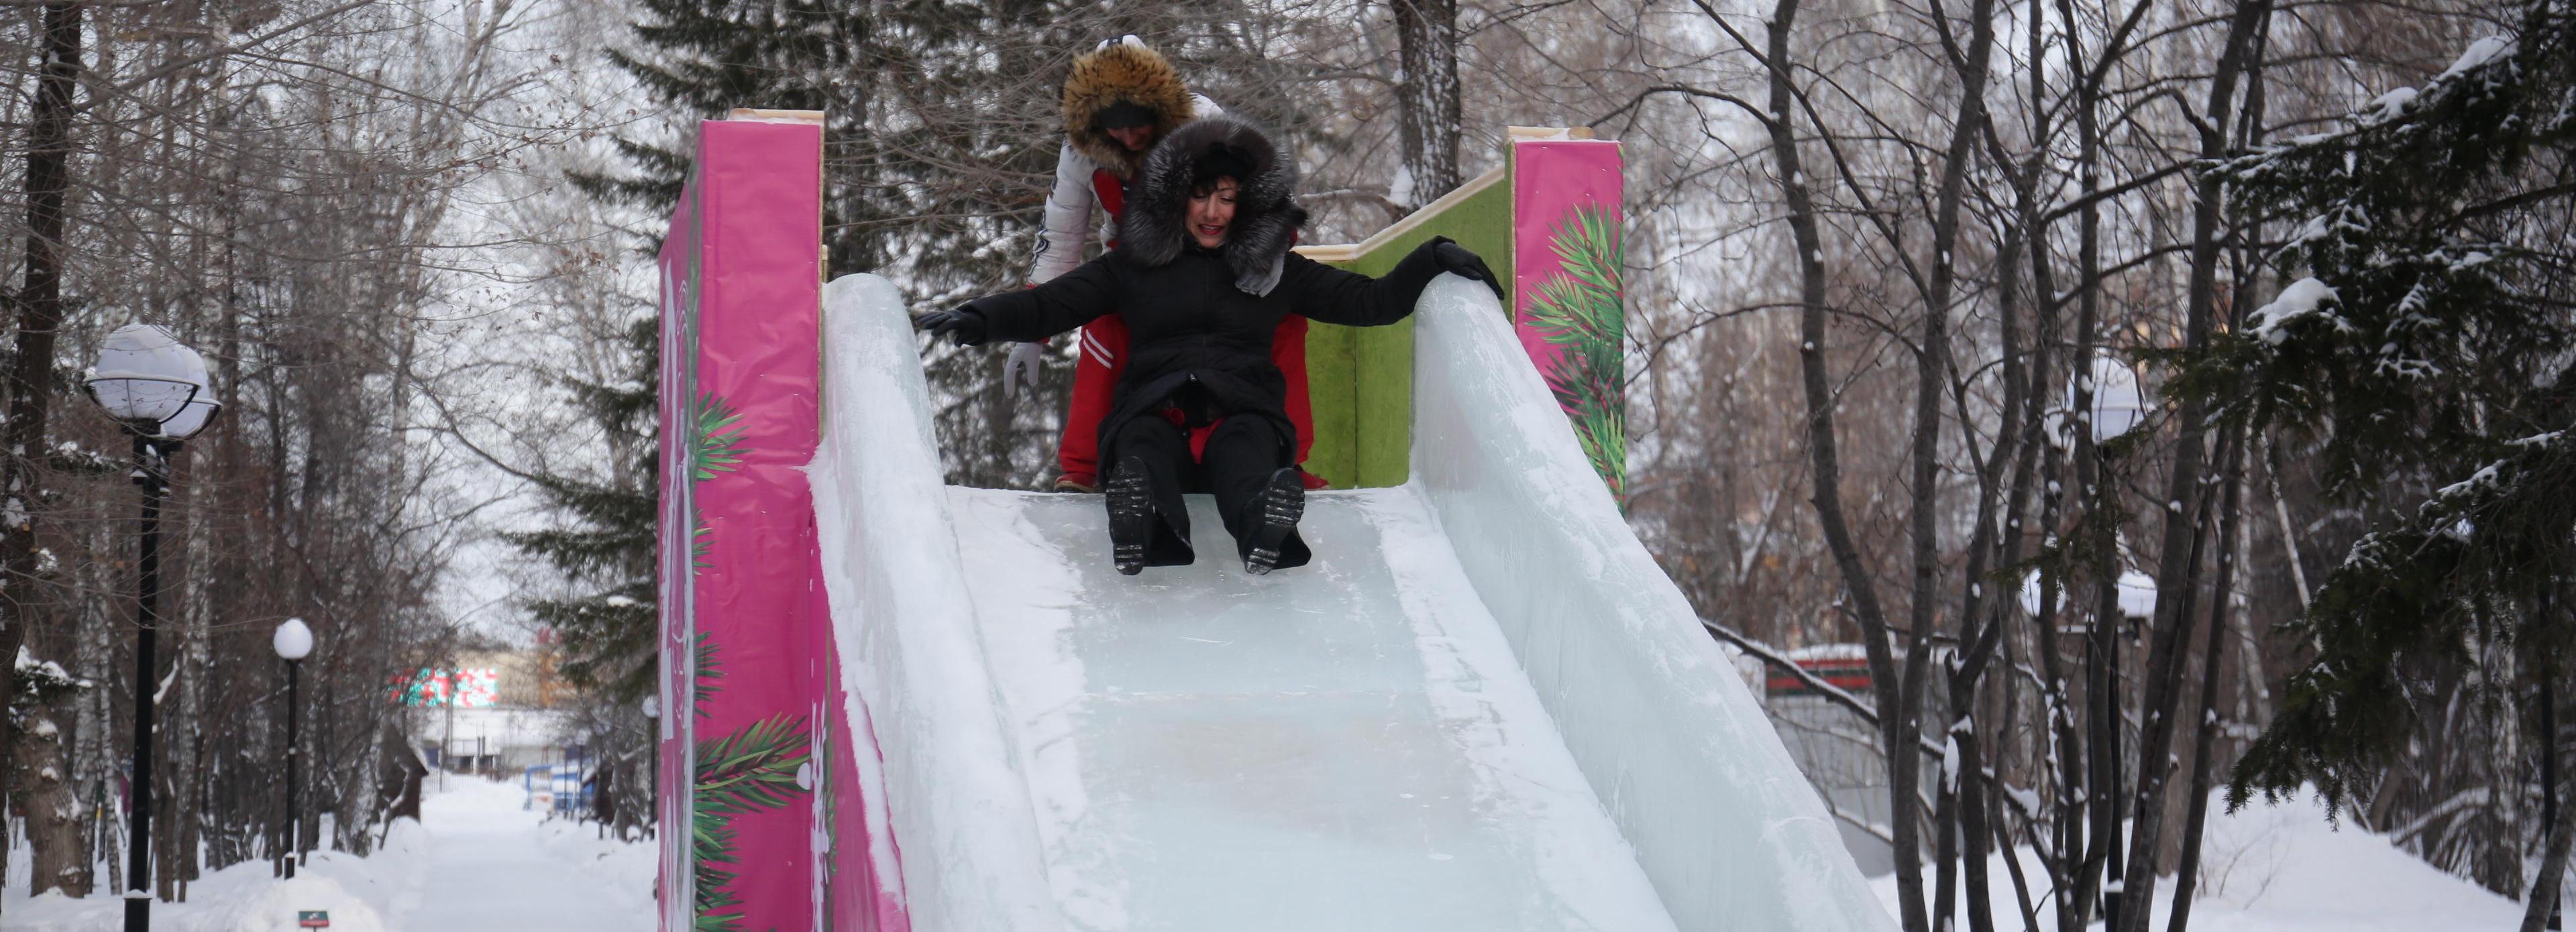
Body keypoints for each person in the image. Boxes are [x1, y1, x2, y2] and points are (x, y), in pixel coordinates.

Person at [918, 117, 1501, 575]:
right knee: (1140, 442)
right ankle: (1140, 515)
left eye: (1227, 198)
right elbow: (1050, 303)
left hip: (1240, 409)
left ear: (1245, 202)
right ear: (1178, 198)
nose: (1215, 212)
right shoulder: (1133, 266)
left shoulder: (1275, 272)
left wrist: (1432, 257)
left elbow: (1368, 303)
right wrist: (976, 318)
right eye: (1202, 196)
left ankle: (1264, 527)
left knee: (1246, 450)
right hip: (1156, 405)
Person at [1017, 36, 1324, 494]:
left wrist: (1269, 250)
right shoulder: (1079, 153)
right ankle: (1083, 469)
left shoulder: (1207, 122)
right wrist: (1031, 324)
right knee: (1104, 327)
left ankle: (1288, 460)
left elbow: (1270, 191)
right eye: (1114, 128)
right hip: (1139, 267)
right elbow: (1062, 233)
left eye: (1138, 123)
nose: (1129, 137)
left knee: (1282, 320)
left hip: (1218, 259)